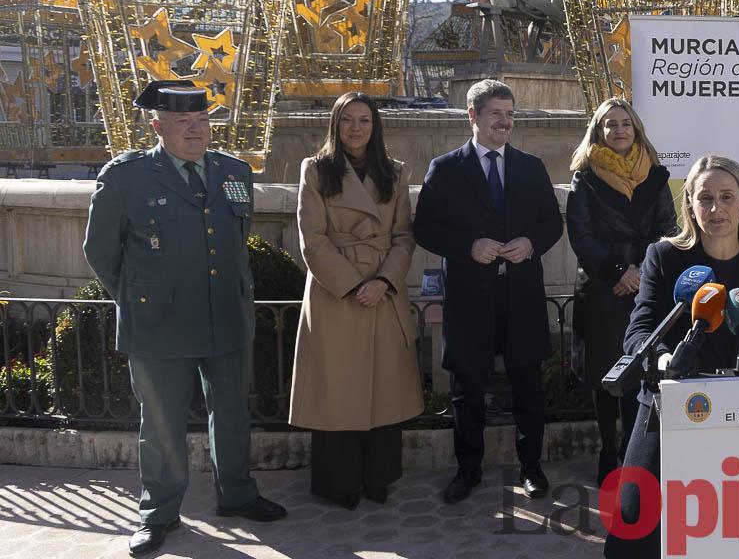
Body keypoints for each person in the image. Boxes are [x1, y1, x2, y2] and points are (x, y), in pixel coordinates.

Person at [82, 80, 286, 557]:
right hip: (158, 325)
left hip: (226, 316)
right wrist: (137, 298)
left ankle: (236, 494)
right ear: (157, 126)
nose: (196, 129)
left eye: (202, 121)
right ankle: (158, 514)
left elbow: (234, 242)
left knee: (233, 413)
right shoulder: (125, 177)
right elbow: (99, 251)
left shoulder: (233, 171)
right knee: (161, 423)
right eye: (182, 122)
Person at [604, 155, 739, 559]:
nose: (716, 208)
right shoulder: (664, 257)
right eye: (704, 198)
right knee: (632, 531)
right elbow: (639, 332)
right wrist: (664, 358)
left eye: (726, 197)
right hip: (670, 402)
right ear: (689, 204)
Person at [413, 79, 563, 504]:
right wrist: (468, 247)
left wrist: (532, 243)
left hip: (521, 296)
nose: (505, 122)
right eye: (496, 113)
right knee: (467, 390)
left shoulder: (531, 167)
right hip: (469, 298)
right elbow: (424, 227)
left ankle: (531, 467)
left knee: (528, 386)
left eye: (510, 114)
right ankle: (468, 469)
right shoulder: (445, 168)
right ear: (472, 116)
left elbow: (552, 224)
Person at [289, 92, 424, 509]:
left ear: (375, 125)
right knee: (337, 391)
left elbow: (404, 236)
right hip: (337, 295)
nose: (356, 128)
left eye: (364, 120)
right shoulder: (315, 170)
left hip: (382, 291)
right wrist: (352, 284)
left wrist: (382, 281)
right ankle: (339, 482)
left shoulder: (395, 172)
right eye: (347, 119)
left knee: (384, 387)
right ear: (335, 124)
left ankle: (378, 477)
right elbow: (311, 238)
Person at [566, 98, 676, 486]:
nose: (619, 130)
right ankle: (606, 449)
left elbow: (667, 227)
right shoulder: (585, 176)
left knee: (636, 370)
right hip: (602, 286)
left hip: (643, 286)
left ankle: (631, 452)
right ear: (599, 131)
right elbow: (580, 234)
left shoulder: (657, 175)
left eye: (625, 123)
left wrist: (642, 273)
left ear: (636, 128)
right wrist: (617, 270)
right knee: (602, 374)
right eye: (610, 124)